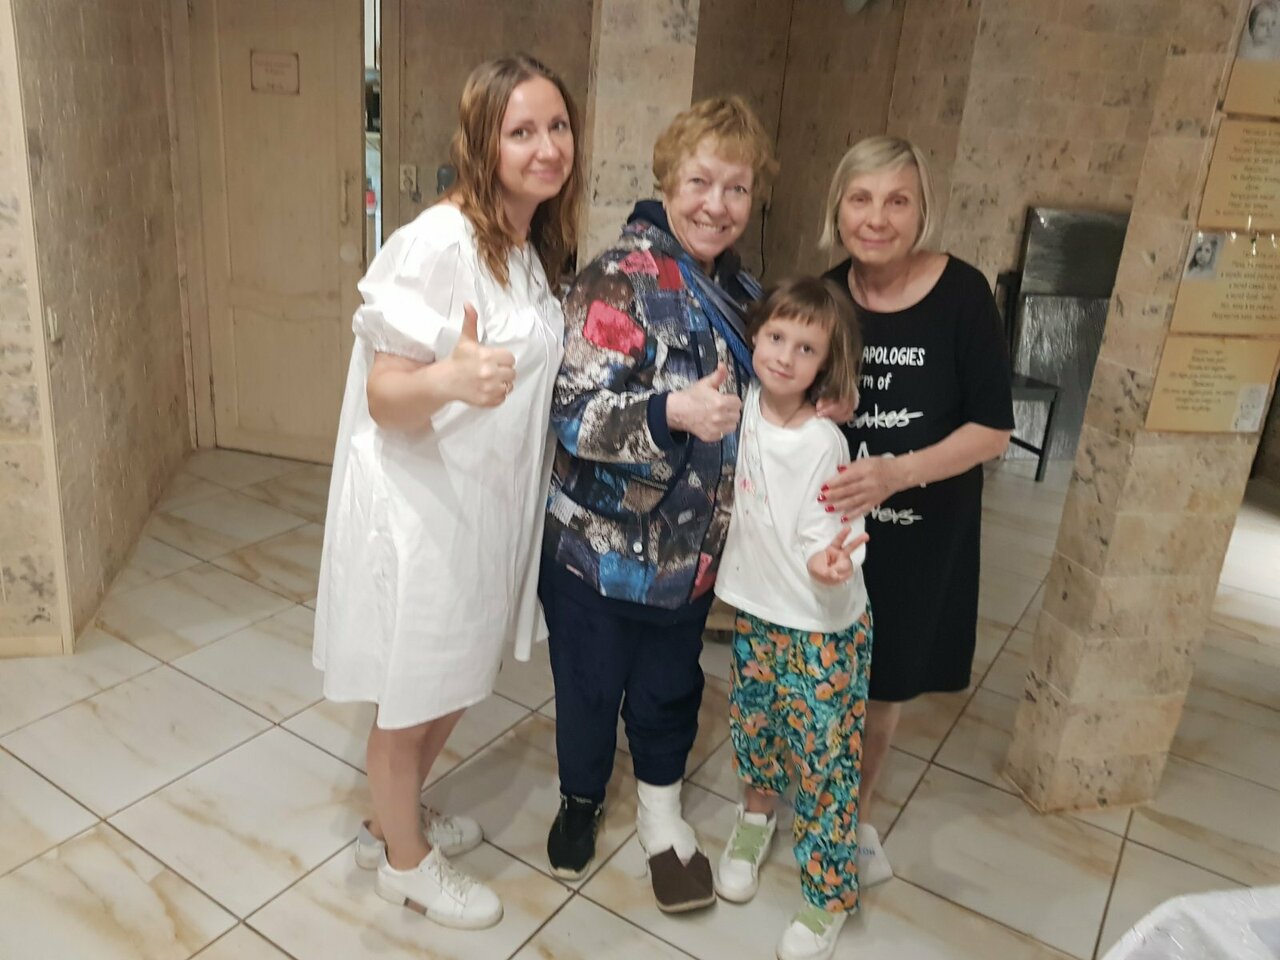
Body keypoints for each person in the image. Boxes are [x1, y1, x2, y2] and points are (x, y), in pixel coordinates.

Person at [312, 54, 582, 929]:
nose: (547, 147)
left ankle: (393, 821)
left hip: (486, 505)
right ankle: (404, 865)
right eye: (522, 130)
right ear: (483, 141)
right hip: (425, 509)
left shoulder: (526, 244)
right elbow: (387, 395)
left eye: (558, 126)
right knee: (414, 689)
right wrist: (449, 381)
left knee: (457, 677)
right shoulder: (440, 241)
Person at [539, 96, 787, 913]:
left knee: (669, 690)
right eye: (701, 182)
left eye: (737, 188)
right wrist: (670, 412)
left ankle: (659, 814)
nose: (717, 204)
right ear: (668, 180)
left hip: (692, 560)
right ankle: (581, 800)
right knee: (587, 690)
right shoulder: (620, 279)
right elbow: (572, 415)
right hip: (599, 555)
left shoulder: (745, 294)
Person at [817, 136, 1014, 886]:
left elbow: (992, 430)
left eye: (897, 200)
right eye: (861, 199)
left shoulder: (963, 295)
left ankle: (856, 813)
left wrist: (897, 474)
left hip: (920, 533)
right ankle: (805, 794)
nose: (877, 218)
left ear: (922, 210)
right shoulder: (827, 296)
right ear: (839, 208)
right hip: (836, 529)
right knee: (821, 671)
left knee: (883, 685)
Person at [712, 277, 872, 960]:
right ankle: (756, 820)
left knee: (823, 761)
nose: (784, 355)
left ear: (825, 364)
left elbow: (825, 525)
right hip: (757, 613)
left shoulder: (823, 442)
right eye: (776, 337)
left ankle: (827, 894)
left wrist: (825, 562)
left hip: (819, 627)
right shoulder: (741, 405)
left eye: (805, 348)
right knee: (755, 728)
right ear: (754, 336)